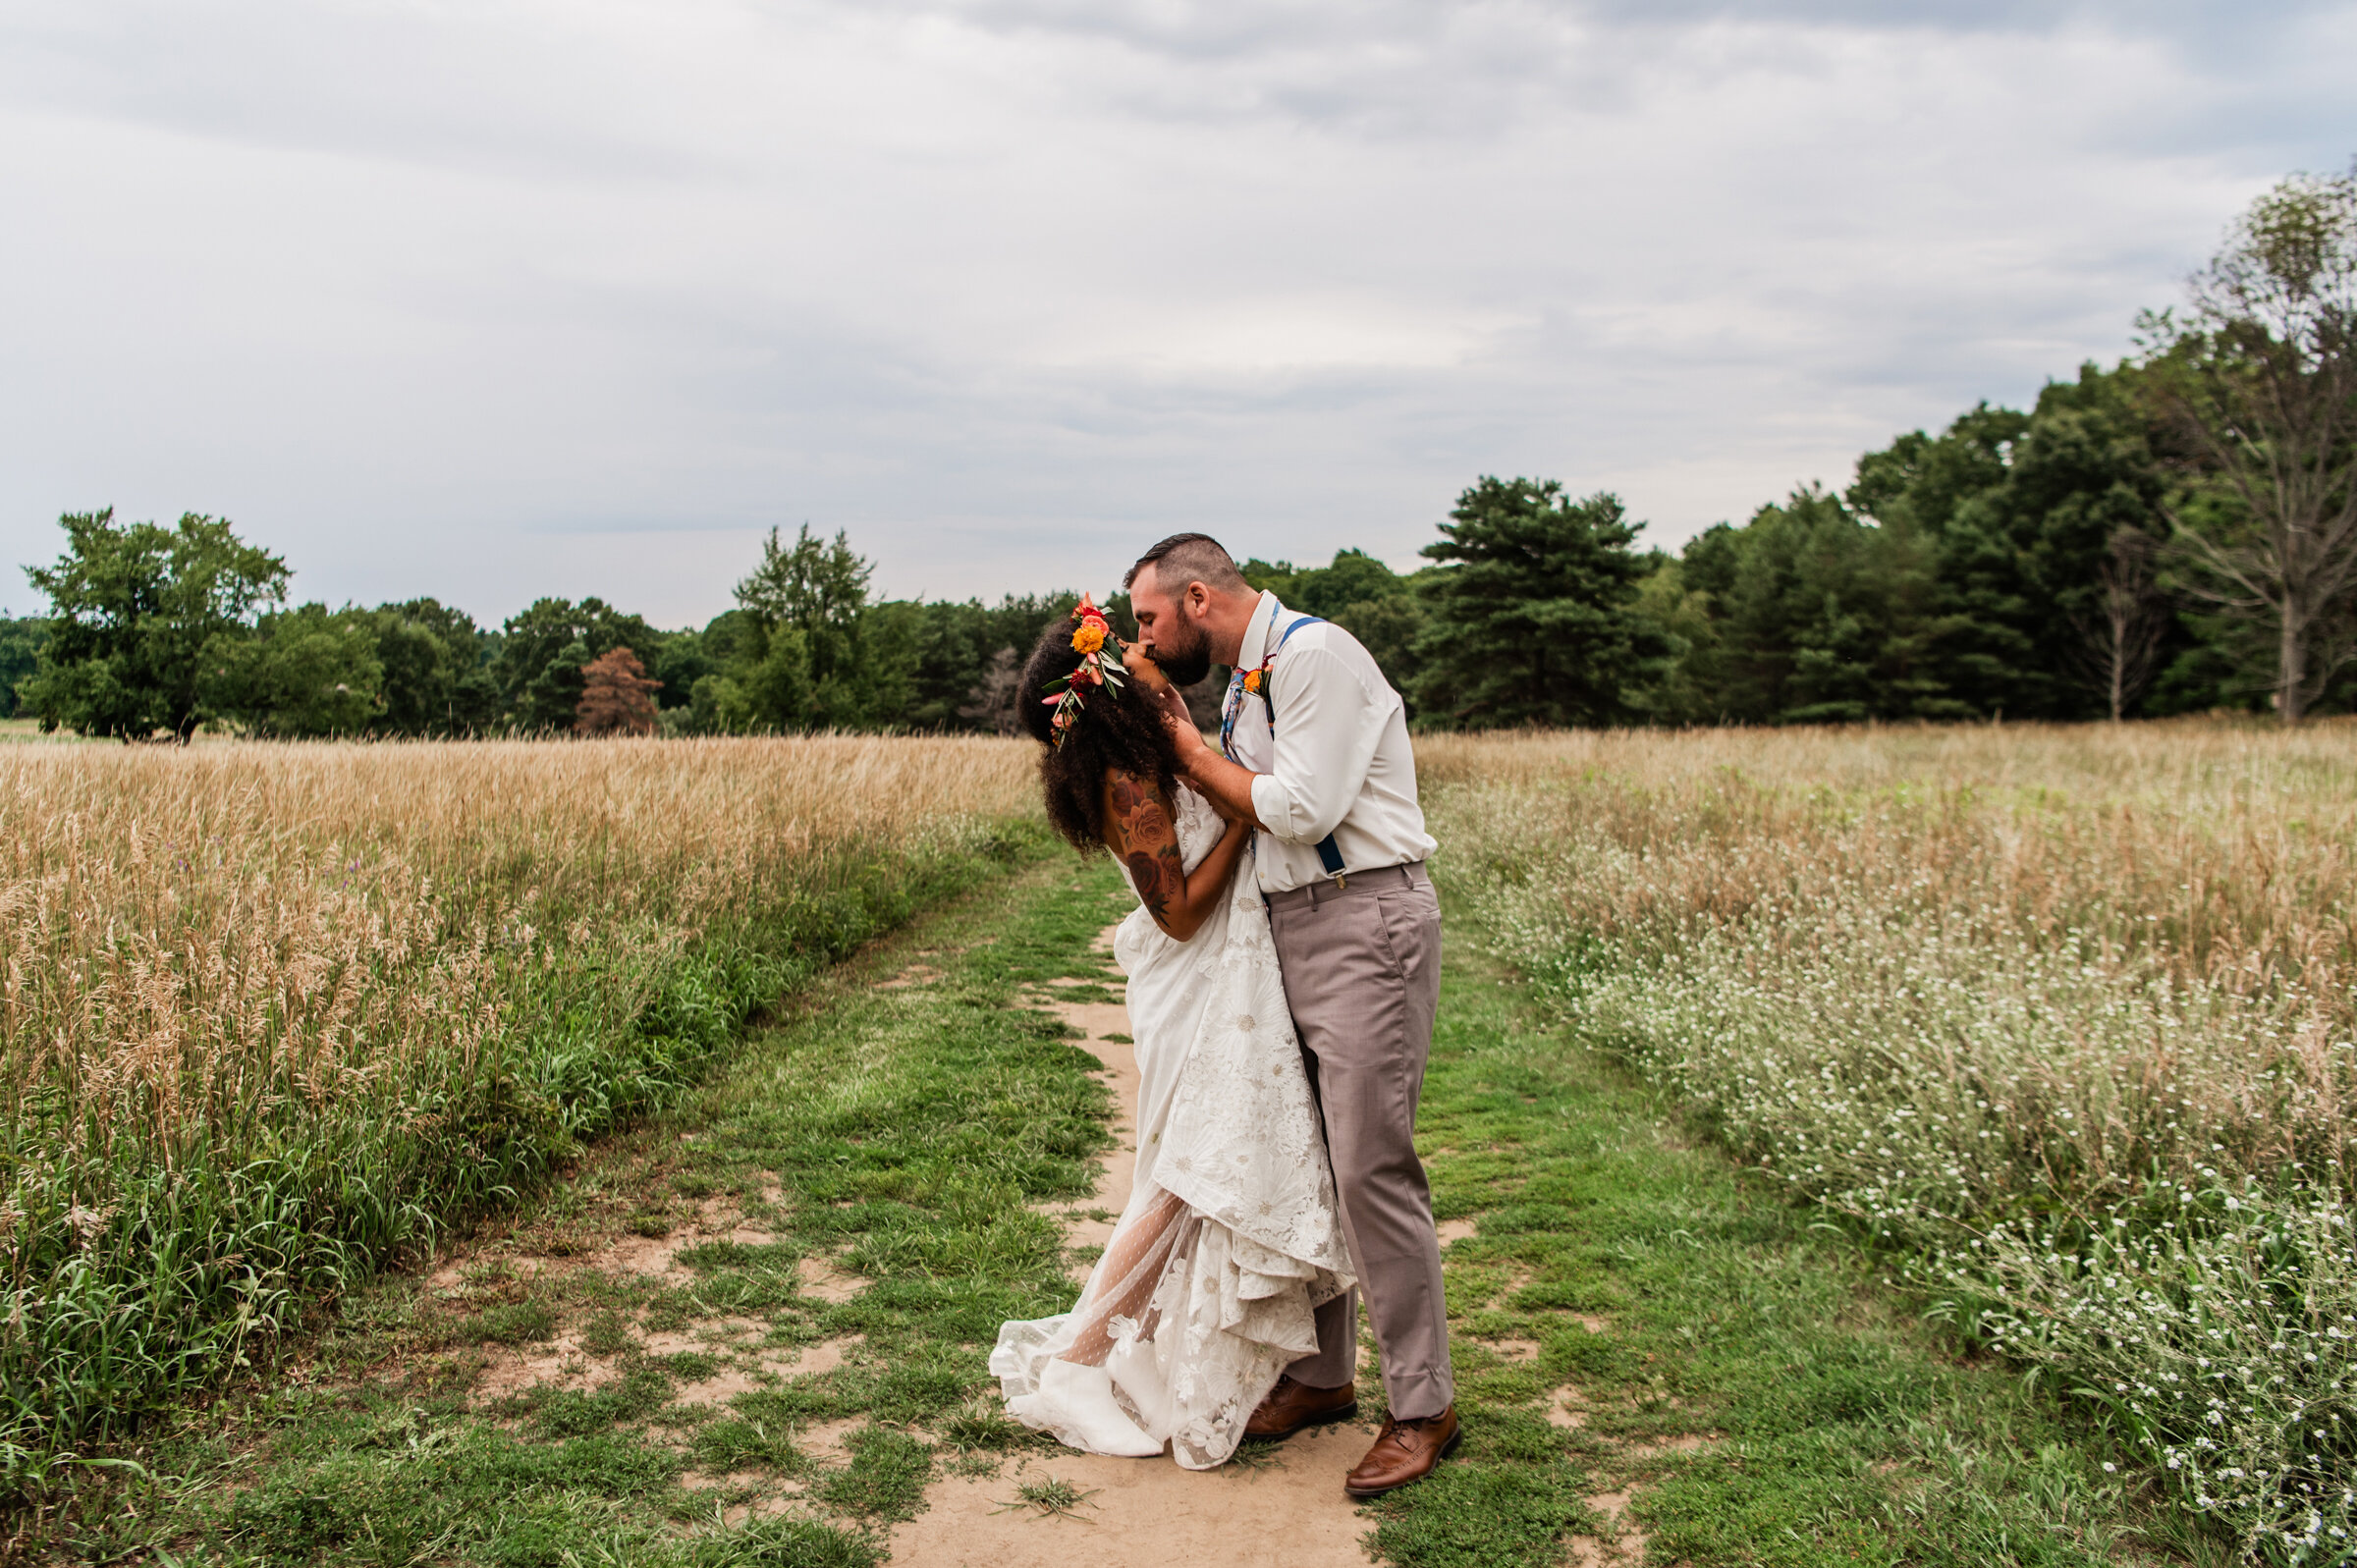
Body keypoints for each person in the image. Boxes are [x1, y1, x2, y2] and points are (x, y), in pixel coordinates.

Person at [1125, 532, 1458, 1498]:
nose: (1145, 635)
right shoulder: (1241, 681)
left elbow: (1303, 809)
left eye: (1149, 618)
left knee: (1370, 1165)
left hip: (1365, 919)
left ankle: (1425, 1404)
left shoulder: (1314, 656)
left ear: (1197, 598)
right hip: (1295, 926)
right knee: (1314, 1161)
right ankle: (1321, 1378)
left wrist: (1189, 754)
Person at [989, 596, 1354, 1471]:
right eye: (1122, 644)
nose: (1140, 644)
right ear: (1103, 682)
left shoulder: (1147, 746)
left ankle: (1125, 1351)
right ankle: (1078, 1364)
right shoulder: (1124, 781)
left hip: (1222, 973)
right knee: (1181, 1176)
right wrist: (1240, 817)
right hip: (1193, 979)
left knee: (1195, 1173)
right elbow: (1182, 913)